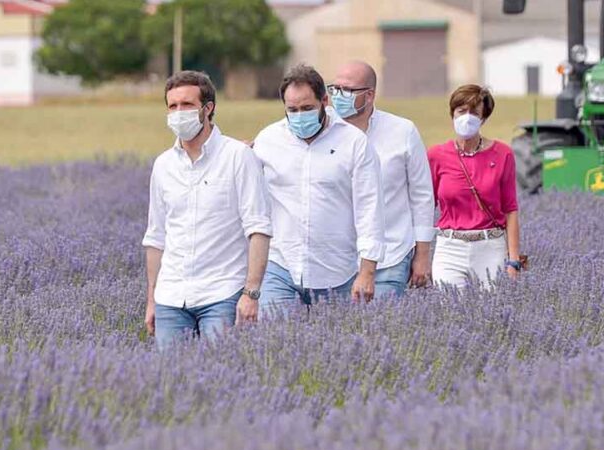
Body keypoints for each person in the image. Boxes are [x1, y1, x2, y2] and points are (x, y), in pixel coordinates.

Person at [142, 70, 272, 350]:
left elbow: (259, 228)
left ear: (208, 108)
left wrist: (251, 293)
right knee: (171, 383)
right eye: (172, 106)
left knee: (222, 377)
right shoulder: (163, 165)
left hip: (222, 293)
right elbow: (156, 237)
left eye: (187, 105)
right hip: (171, 298)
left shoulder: (238, 156)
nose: (178, 113)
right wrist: (152, 300)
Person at [252, 64, 385, 312]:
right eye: (292, 110)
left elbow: (370, 209)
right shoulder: (268, 140)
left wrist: (367, 272)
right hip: (281, 267)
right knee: (276, 344)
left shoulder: (354, 142)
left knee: (337, 347)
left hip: (337, 273)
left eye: (307, 108)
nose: (299, 116)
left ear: (324, 101)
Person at [329, 61, 434, 298]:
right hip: (335, 260)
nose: (338, 96)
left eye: (347, 90)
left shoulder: (402, 131)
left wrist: (423, 255)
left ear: (369, 95)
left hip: (391, 254)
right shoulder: (323, 130)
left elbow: (422, 195)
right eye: (334, 89)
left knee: (378, 328)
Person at [427, 84, 522, 288]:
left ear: (483, 118)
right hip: (449, 248)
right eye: (461, 111)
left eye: (474, 113)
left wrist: (513, 259)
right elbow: (425, 208)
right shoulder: (436, 156)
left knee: (492, 313)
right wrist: (420, 256)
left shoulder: (502, 154)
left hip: (490, 246)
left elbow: (510, 210)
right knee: (447, 312)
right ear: (452, 114)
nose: (467, 117)